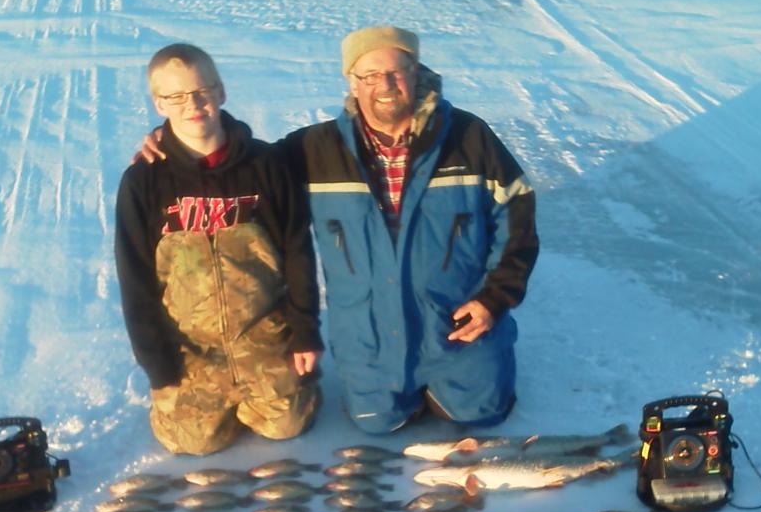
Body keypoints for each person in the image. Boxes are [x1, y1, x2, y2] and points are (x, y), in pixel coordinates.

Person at [137, 26, 538, 434]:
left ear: (416, 71)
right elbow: (242, 164)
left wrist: (495, 298)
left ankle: (463, 380)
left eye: (397, 71)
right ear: (352, 80)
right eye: (369, 75)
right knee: (376, 425)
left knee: (483, 415)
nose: (384, 85)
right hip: (370, 340)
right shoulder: (317, 149)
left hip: (455, 330)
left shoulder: (469, 138)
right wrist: (174, 141)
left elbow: (518, 218)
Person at [114, 43, 322, 455]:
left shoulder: (265, 164)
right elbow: (134, 281)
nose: (192, 104)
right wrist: (157, 363)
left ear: (221, 91)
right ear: (159, 103)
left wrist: (305, 333)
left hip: (261, 335)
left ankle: (278, 383)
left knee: (288, 425)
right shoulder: (143, 181)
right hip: (192, 345)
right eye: (175, 96)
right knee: (191, 442)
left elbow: (298, 253)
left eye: (202, 90)